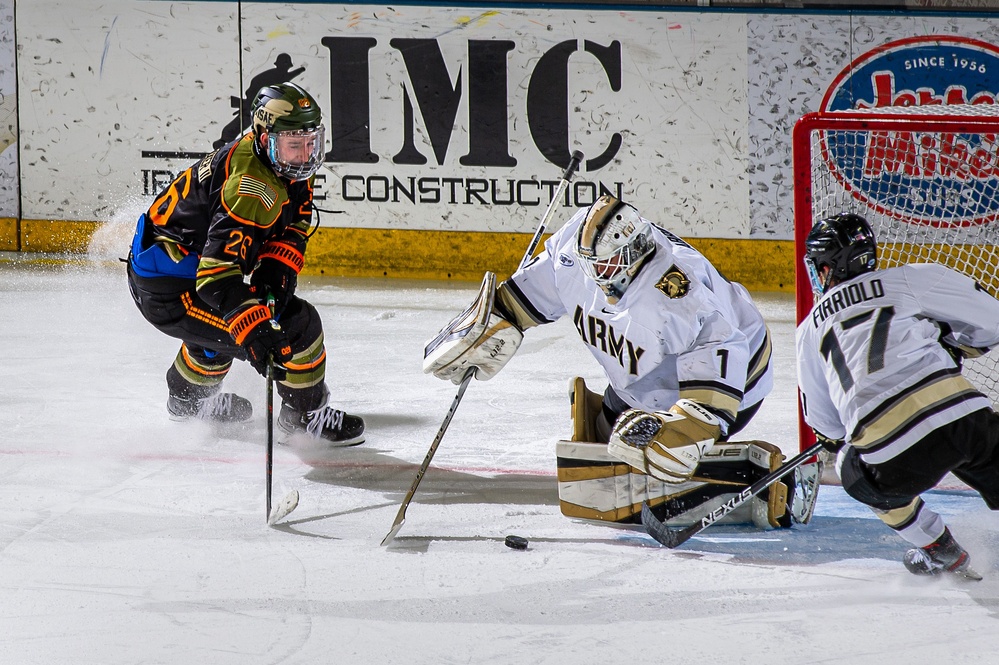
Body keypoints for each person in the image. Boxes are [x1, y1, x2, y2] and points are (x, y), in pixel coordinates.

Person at [423, 195, 793, 524]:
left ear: (635, 252)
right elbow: (527, 298)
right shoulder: (575, 249)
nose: (600, 277)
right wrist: (495, 321)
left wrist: (691, 427)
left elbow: (725, 344)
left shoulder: (677, 293)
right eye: (595, 267)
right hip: (640, 380)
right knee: (598, 457)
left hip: (736, 379)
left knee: (655, 463)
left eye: (610, 267)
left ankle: (748, 487)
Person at [126, 82, 364, 445]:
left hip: (166, 268)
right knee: (299, 328)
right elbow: (216, 279)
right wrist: (254, 329)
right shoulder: (252, 186)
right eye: (294, 144)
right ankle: (304, 416)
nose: (305, 154)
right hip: (173, 288)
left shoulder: (280, 162)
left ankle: (187, 401)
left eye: (310, 142)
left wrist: (275, 268)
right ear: (266, 137)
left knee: (215, 337)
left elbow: (295, 218)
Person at [796, 212, 999, 579]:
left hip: (892, 452)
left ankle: (940, 550)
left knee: (852, 470)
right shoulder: (911, 278)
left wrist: (836, 437)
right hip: (964, 418)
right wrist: (956, 345)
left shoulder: (810, 329)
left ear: (826, 268)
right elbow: (993, 321)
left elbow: (825, 423)